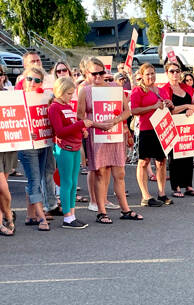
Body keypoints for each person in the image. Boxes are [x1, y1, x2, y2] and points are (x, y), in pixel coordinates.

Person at [77, 57, 143, 223]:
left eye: (101, 73)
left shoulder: (115, 87)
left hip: (115, 135)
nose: (98, 77)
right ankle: (101, 212)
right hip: (97, 136)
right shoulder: (85, 91)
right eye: (94, 74)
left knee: (119, 173)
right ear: (87, 74)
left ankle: (125, 209)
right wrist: (97, 124)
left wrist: (114, 121)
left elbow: (127, 111)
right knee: (101, 173)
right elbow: (80, 115)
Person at [49, 77, 92, 229]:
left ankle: (72, 214)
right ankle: (67, 216)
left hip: (74, 146)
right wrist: (81, 124)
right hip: (63, 148)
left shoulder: (66, 106)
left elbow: (71, 125)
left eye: (72, 93)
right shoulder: (55, 107)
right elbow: (60, 131)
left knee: (73, 182)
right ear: (60, 92)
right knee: (66, 182)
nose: (71, 96)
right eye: (68, 93)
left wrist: (81, 130)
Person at [130, 63, 173, 207]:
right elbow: (134, 111)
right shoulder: (138, 91)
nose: (151, 76)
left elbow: (169, 108)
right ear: (141, 75)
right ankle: (145, 196)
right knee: (144, 162)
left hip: (161, 129)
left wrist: (169, 103)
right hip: (146, 129)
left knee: (161, 161)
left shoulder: (161, 90)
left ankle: (161, 193)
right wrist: (152, 107)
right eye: (147, 74)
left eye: (153, 73)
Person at [17, 67, 51, 231]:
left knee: (36, 180)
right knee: (34, 181)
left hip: (42, 143)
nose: (33, 83)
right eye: (30, 79)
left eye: (37, 80)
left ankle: (31, 215)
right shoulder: (16, 98)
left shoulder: (45, 98)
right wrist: (25, 132)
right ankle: (41, 217)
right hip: (26, 146)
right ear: (23, 79)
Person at [159, 62, 194, 198]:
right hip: (172, 126)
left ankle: (188, 185)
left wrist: (191, 108)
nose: (175, 74)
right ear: (166, 73)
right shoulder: (164, 89)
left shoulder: (186, 87)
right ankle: (176, 186)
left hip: (187, 126)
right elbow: (171, 110)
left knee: (188, 154)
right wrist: (187, 106)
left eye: (177, 71)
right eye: (172, 71)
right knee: (174, 157)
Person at [0, 67, 16, 236]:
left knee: (2, 185)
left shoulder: (10, 95)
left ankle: (4, 218)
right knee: (2, 186)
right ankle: (8, 216)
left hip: (8, 145)